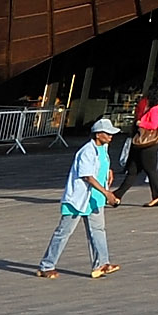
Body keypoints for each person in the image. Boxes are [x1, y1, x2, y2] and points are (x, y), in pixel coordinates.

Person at [36, 117, 119, 279]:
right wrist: (107, 193)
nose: (111, 136)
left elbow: (102, 163)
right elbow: (87, 176)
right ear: (97, 134)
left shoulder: (104, 148)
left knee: (98, 230)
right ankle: (46, 265)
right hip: (79, 199)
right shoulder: (87, 151)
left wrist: (109, 170)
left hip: (95, 199)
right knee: (63, 232)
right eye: (107, 133)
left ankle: (101, 263)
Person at [106, 93, 158, 205]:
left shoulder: (155, 109)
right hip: (142, 143)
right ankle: (118, 195)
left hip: (149, 143)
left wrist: (140, 123)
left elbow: (154, 125)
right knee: (133, 170)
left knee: (150, 169)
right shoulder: (154, 109)